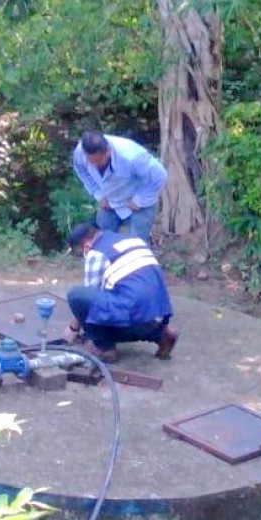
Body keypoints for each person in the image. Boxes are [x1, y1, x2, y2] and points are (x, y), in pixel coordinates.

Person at [62, 222, 179, 363]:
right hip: (158, 314)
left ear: (86, 245)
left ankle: (104, 348)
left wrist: (73, 328)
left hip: (134, 318)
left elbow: (89, 295)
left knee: (77, 296)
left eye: (81, 254)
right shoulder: (132, 240)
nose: (83, 258)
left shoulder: (96, 254)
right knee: (131, 306)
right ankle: (161, 334)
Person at [72, 130, 167, 243]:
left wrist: (140, 200)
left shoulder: (132, 156)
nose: (94, 165)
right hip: (110, 200)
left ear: (108, 151)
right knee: (101, 240)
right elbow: (82, 171)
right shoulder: (80, 152)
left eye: (98, 161)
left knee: (137, 244)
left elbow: (160, 176)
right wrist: (98, 194)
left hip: (139, 202)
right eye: (91, 161)